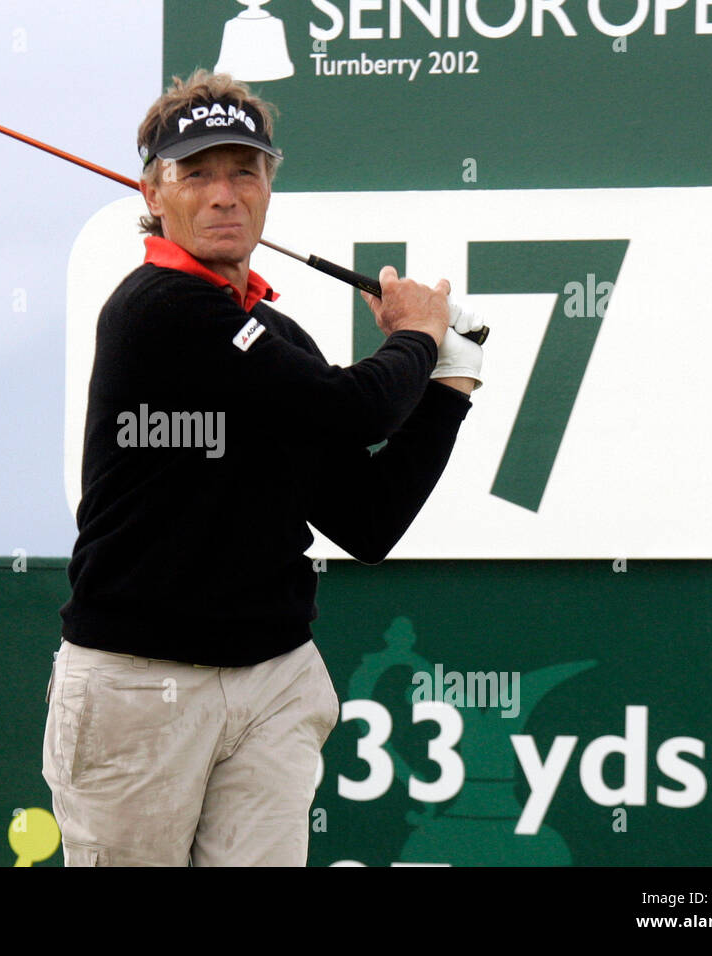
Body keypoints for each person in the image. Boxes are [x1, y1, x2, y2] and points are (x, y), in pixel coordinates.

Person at [43, 70, 484, 866]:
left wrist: (449, 387)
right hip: (141, 683)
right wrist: (416, 337)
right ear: (155, 190)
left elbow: (367, 519)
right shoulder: (156, 311)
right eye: (198, 172)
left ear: (269, 185)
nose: (224, 194)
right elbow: (360, 408)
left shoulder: (274, 336)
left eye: (244, 171)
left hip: (272, 680)